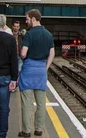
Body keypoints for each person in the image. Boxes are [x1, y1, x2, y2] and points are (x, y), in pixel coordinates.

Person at [19, 9, 55, 137]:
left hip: (28, 69)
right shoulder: (48, 34)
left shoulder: (29, 34)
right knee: (41, 103)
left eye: (27, 19)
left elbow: (23, 53)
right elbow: (52, 54)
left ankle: (26, 131)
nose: (26, 21)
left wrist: (23, 57)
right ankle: (39, 129)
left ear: (33, 19)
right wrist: (45, 67)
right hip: (41, 70)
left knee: (26, 104)